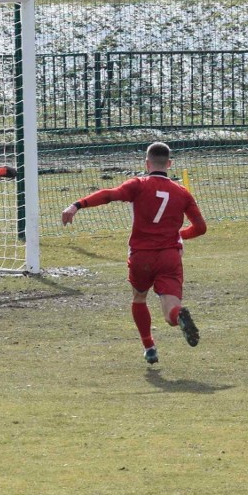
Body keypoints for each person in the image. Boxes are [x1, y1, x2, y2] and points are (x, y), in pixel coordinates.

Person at [60, 142, 207, 365]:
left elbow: (110, 194)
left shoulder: (139, 184)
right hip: (169, 257)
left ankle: (149, 346)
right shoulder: (182, 193)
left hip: (141, 256)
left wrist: (77, 205)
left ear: (147, 163)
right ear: (169, 164)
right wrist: (180, 235)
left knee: (139, 297)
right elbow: (201, 228)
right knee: (169, 314)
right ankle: (179, 316)